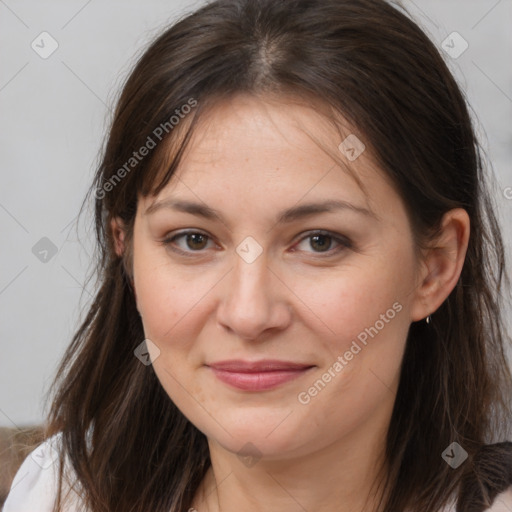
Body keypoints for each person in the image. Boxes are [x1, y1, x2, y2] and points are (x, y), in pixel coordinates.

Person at [4, 0, 512, 511]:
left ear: (435, 265)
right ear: (128, 254)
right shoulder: (59, 493)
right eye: (193, 239)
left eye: (320, 241)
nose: (248, 314)